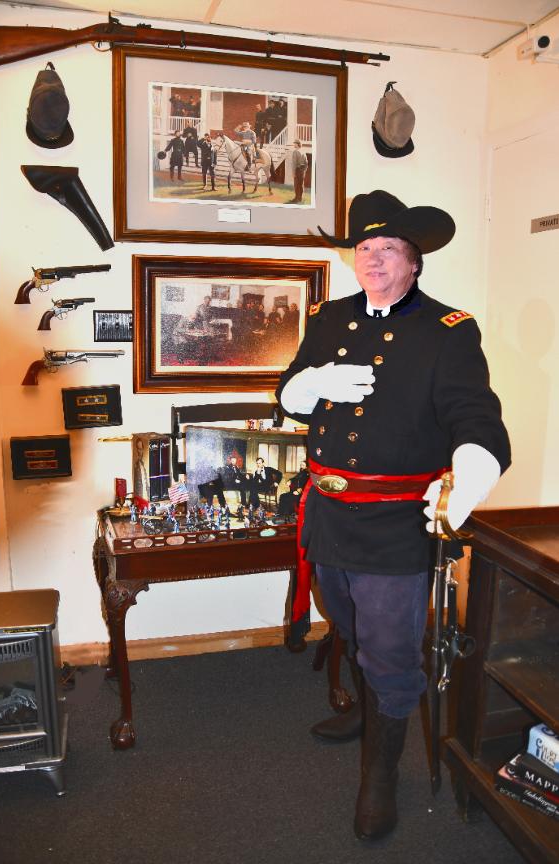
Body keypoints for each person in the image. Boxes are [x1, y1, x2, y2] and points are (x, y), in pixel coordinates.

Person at [276, 189, 511, 842]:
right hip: (328, 512)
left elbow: (475, 414)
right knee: (348, 626)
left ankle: (379, 775)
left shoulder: (448, 329)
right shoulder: (329, 318)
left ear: (414, 260)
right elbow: (289, 391)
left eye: (388, 247)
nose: (373, 259)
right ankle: (367, 709)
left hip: (396, 523)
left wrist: (470, 475)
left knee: (390, 651)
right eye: (364, 248)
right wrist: (310, 384)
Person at [289, 139, 308, 204]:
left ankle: (296, 198)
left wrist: (293, 172)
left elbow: (294, 163)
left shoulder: (295, 152)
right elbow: (306, 162)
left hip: (297, 170)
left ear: (297, 144)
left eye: (294, 143)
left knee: (296, 185)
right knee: (301, 184)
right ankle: (300, 198)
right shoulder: (303, 151)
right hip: (302, 170)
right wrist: (304, 170)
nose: (294, 144)